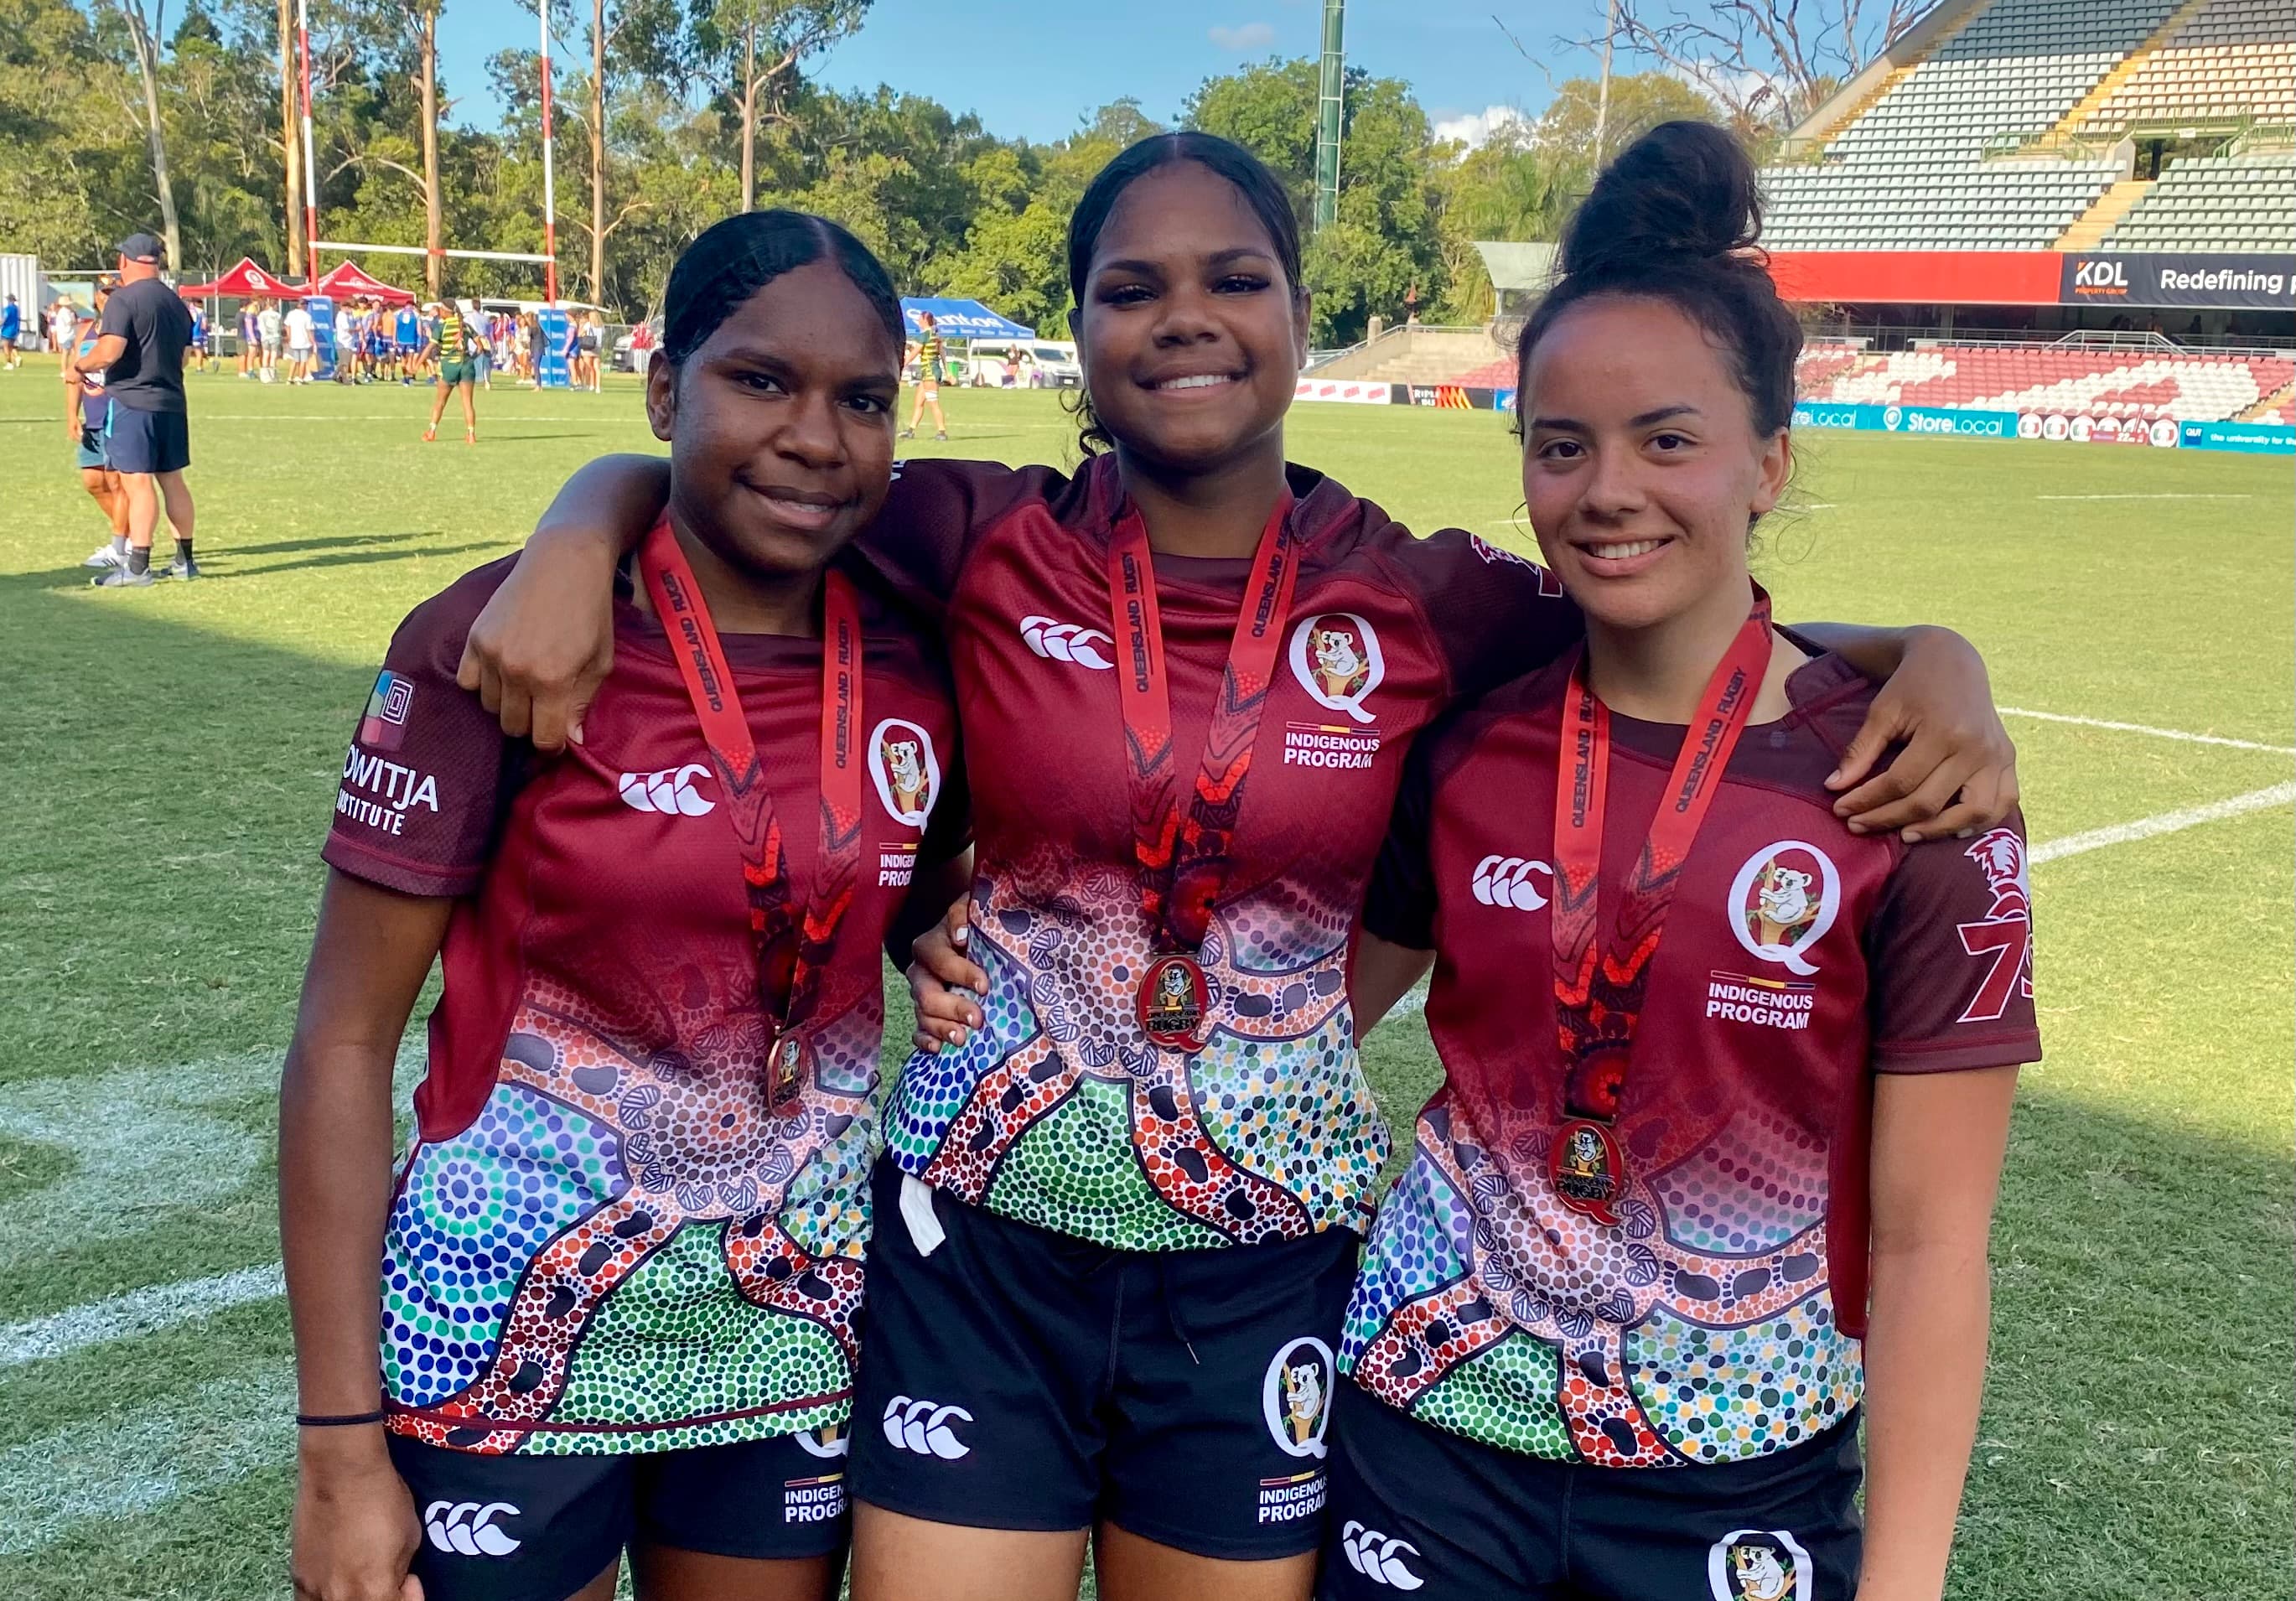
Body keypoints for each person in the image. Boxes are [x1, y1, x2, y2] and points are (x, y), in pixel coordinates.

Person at [452, 132, 2017, 1601]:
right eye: (1129, 287)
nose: (1180, 319)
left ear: (1296, 309)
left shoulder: (1428, 598)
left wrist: (1929, 657)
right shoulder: (977, 534)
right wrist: (581, 519)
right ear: (1075, 325)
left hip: (1259, 1268)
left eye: (1232, 279)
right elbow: (761, 475)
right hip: (975, 1247)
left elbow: (1685, 630)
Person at [1320, 122, 2038, 1601]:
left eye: (1667, 440)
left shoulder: (1907, 790)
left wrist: (1897, 1585)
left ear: (1767, 459)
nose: (1605, 493)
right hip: (1424, 1424)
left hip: (1739, 1470)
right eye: (1557, 444)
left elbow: (1924, 1250)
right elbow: (1300, 1006)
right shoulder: (1467, 739)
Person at [282, 210, 967, 1601]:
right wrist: (340, 1453)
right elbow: (343, 1046)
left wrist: (919, 931)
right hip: (498, 1330)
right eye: (760, 380)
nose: (816, 437)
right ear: (664, 388)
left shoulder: (916, 652)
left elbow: (888, 861)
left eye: (862, 400)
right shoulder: (502, 646)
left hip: (789, 1336)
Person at [74, 232, 196, 587]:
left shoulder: (122, 299)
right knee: (173, 480)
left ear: (124, 262)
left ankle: (138, 567)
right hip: (172, 402)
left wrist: (81, 366)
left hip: (132, 403)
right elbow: (184, 358)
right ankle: (184, 561)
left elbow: (109, 351)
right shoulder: (176, 303)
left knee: (137, 482)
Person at [67, 282, 131, 569]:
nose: (109, 297)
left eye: (114, 292)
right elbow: (74, 375)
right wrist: (71, 414)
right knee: (93, 482)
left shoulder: (125, 327)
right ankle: (129, 534)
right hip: (92, 418)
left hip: (118, 414)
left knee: (118, 482)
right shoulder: (85, 330)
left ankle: (123, 545)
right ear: (97, 297)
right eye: (105, 292)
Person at [421, 298, 487, 444]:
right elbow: (480, 347)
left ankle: (431, 432)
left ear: (445, 311)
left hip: (449, 366)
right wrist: (471, 357)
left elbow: (430, 348)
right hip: (466, 366)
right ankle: (471, 434)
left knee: (440, 402)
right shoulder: (465, 326)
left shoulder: (441, 327)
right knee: (467, 403)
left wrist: (418, 363)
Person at [898, 310, 946, 441]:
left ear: (925, 320)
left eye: (919, 319)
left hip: (929, 373)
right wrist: (947, 372)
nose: (918, 321)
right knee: (919, 402)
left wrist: (901, 365)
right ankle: (911, 431)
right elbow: (943, 355)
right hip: (931, 372)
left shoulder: (924, 335)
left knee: (933, 403)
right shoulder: (936, 335)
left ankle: (942, 431)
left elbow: (914, 353)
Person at [285, 298, 317, 384]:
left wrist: (289, 337)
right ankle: (300, 378)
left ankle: (289, 378)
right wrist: (313, 342)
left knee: (295, 360)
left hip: (294, 341)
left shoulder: (291, 314)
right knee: (303, 361)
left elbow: (287, 326)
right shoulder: (307, 316)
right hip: (304, 342)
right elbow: (309, 331)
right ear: (304, 306)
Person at [392, 300, 422, 382]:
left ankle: (405, 376)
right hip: (412, 341)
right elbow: (419, 330)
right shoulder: (416, 315)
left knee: (403, 360)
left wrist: (394, 340)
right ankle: (407, 378)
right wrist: (420, 341)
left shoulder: (397, 314)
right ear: (413, 306)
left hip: (401, 341)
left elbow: (395, 328)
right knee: (410, 360)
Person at [258, 296, 285, 382]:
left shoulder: (262, 314)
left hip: (265, 336)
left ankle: (264, 375)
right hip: (275, 336)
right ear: (275, 305)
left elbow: (260, 326)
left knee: (266, 354)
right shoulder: (277, 315)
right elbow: (280, 327)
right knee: (273, 355)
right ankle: (272, 375)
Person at [239, 298, 260, 378]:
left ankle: (251, 370)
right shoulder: (249, 316)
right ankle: (250, 370)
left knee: (254, 354)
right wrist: (252, 337)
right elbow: (249, 327)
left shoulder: (254, 315)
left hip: (255, 335)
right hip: (252, 337)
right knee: (251, 354)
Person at [3, 292, 21, 368]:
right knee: (11, 346)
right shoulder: (17, 309)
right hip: (15, 329)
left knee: (5, 346)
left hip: (7, 330)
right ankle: (17, 357)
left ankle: (9, 363)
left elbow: (4, 319)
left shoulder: (7, 309)